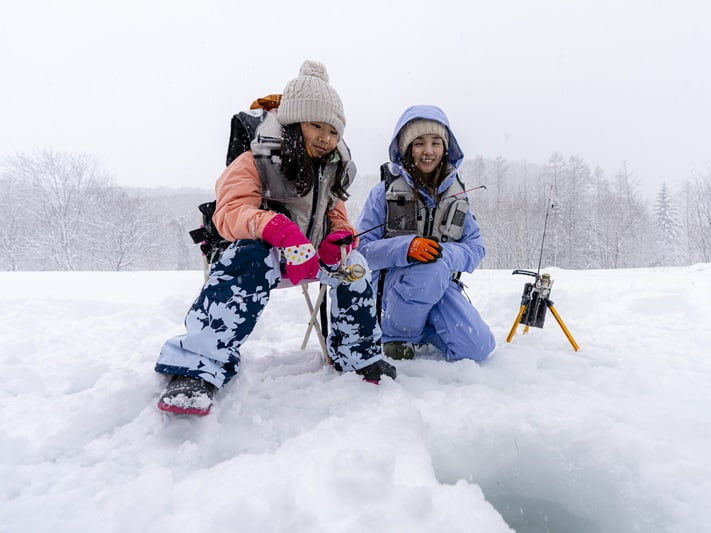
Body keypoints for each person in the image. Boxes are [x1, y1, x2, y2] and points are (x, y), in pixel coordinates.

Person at [155, 60, 396, 416]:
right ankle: (196, 368)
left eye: (333, 131)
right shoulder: (254, 160)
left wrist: (340, 239)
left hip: (312, 258)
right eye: (317, 126)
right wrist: (277, 230)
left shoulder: (332, 166)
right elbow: (231, 211)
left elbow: (336, 212)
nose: (326, 138)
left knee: (354, 265)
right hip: (263, 256)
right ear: (295, 121)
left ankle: (358, 355)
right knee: (249, 258)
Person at [356, 105, 496, 362]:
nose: (428, 151)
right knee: (430, 270)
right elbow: (361, 251)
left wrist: (444, 254)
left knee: (479, 348)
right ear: (407, 148)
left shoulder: (457, 193)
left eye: (435, 142)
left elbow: (476, 248)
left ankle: (421, 330)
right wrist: (406, 248)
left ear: (446, 148)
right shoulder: (382, 192)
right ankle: (397, 336)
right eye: (419, 143)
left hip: (441, 286)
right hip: (391, 291)